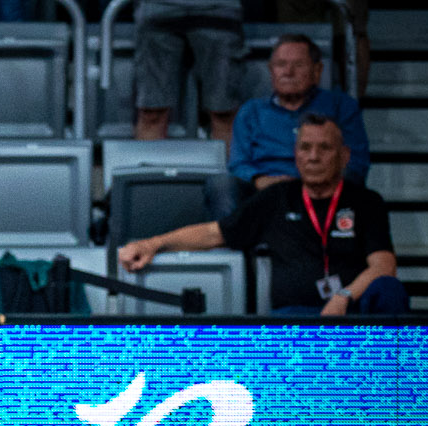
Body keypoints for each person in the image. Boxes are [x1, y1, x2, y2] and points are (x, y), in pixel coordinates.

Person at [119, 115, 405, 318]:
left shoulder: (366, 202)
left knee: (389, 290)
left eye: (324, 148)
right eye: (305, 148)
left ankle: (392, 389)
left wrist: (342, 298)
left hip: (354, 316)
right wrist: (152, 244)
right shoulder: (276, 197)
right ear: (296, 155)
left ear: (343, 156)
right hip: (293, 317)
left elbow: (383, 266)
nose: (313, 156)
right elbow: (214, 233)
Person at [224, 34, 370, 209]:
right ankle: (228, 237)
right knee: (222, 185)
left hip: (322, 188)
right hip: (264, 190)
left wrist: (313, 181)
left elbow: (356, 162)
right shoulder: (251, 111)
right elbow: (238, 163)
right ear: (271, 70)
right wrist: (259, 179)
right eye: (281, 65)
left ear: (317, 71)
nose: (288, 72)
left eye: (298, 65)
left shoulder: (341, 106)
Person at [131, 0, 241, 144]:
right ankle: (148, 174)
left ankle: (226, 176)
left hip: (219, 4)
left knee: (224, 112)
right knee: (151, 112)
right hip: (158, 6)